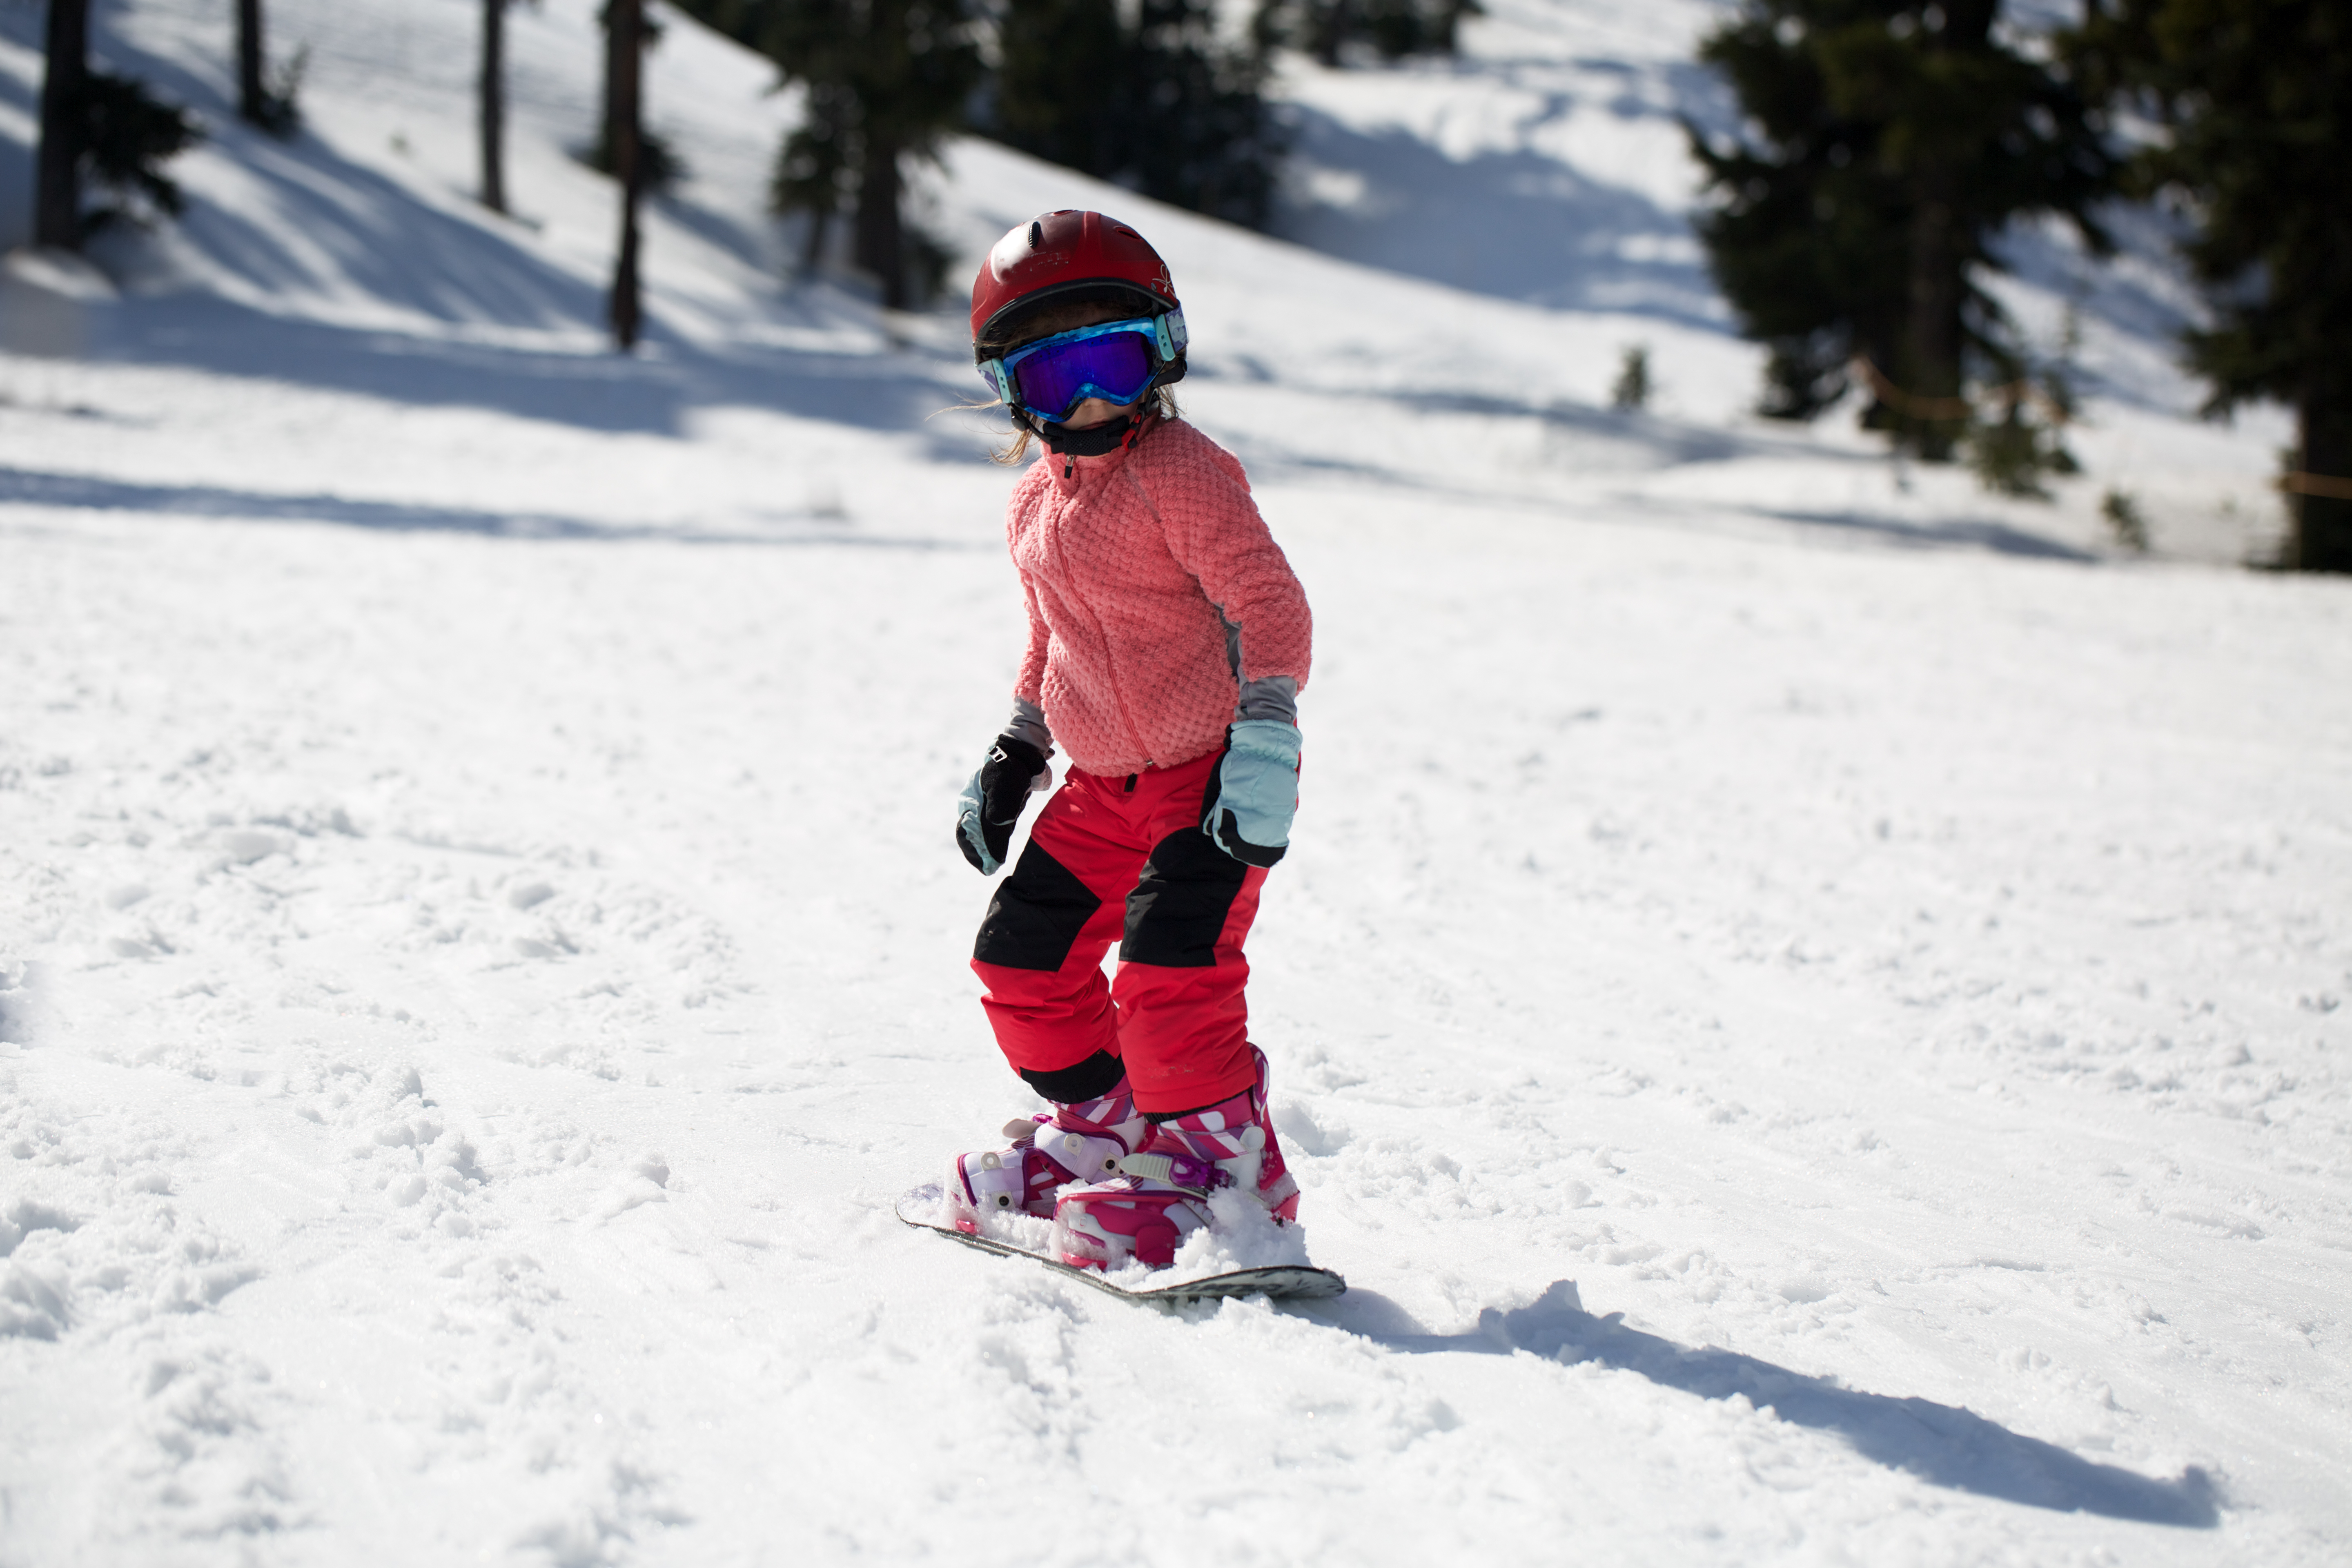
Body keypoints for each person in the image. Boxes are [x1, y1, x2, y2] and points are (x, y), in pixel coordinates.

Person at [944, 209, 1313, 1272]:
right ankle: (1115, 1132)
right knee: (1022, 962)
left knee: (1169, 969)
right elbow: (1048, 635)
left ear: (1165, 351)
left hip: (1208, 778)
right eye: (1058, 380)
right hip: (1101, 785)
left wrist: (1266, 735)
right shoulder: (1031, 504)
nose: (1096, 398)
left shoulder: (1185, 474)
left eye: (1115, 359)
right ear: (1014, 392)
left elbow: (1271, 604)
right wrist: (1020, 746)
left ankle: (1229, 1178)